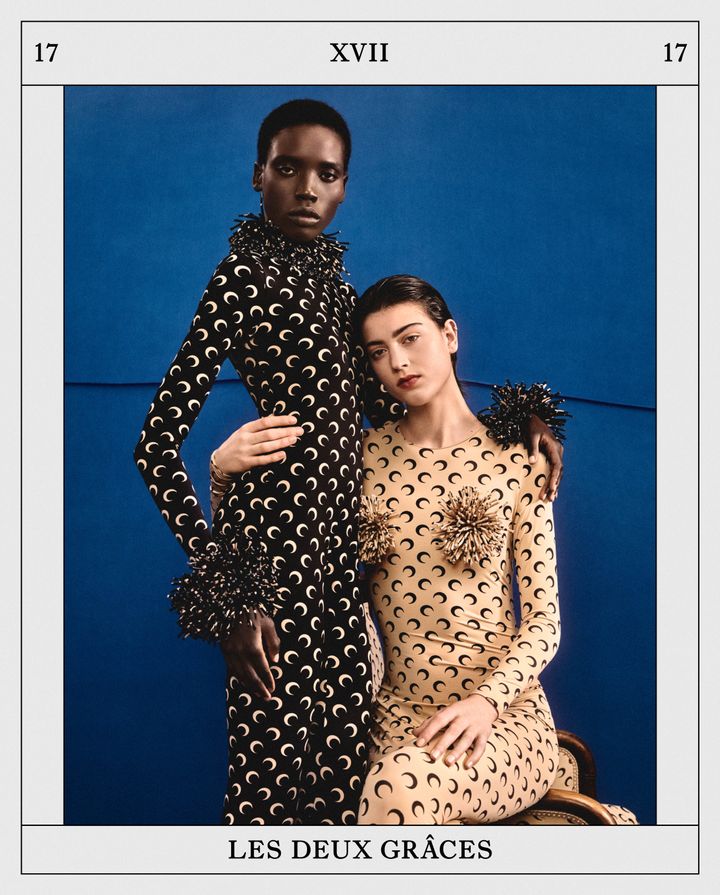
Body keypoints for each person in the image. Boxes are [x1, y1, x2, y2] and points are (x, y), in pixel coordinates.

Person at [134, 99, 565, 825]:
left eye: (326, 174)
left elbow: (402, 401)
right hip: (271, 574)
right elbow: (153, 446)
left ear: (343, 185)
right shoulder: (239, 279)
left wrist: (520, 417)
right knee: (267, 799)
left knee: (337, 801)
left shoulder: (340, 294)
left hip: (340, 584)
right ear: (258, 175)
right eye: (288, 168)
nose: (307, 188)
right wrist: (229, 590)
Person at [353, 275, 561, 824]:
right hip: (394, 718)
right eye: (378, 351)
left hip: (501, 720)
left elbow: (544, 623)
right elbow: (281, 544)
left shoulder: (520, 457)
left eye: (410, 338)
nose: (398, 361)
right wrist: (222, 473)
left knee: (398, 790)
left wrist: (486, 703)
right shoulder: (362, 457)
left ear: (449, 335)